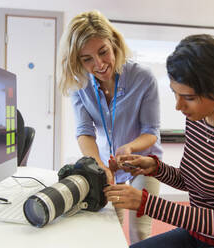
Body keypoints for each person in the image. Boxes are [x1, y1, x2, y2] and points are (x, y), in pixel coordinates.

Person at [104, 34, 214, 248]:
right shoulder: (198, 119)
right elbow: (191, 181)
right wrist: (154, 168)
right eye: (175, 94)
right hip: (198, 234)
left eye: (189, 98)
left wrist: (145, 203)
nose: (178, 106)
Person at [57, 10, 162, 243]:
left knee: (140, 233)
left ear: (113, 43)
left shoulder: (143, 77)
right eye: (87, 59)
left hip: (143, 162)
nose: (99, 64)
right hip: (107, 164)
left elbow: (151, 132)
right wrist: (99, 166)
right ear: (78, 60)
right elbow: (84, 131)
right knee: (107, 228)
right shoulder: (80, 85)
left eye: (103, 52)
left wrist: (129, 148)